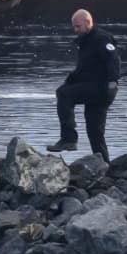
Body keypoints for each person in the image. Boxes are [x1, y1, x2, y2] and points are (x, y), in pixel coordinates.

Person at [47, 9, 120, 163]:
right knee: (95, 132)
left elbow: (113, 59)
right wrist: (70, 81)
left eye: (78, 26)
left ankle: (69, 139)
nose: (75, 30)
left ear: (88, 22)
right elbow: (85, 69)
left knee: (63, 94)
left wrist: (113, 81)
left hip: (103, 88)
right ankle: (105, 166)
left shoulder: (101, 39)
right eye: (74, 27)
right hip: (95, 88)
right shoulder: (86, 41)